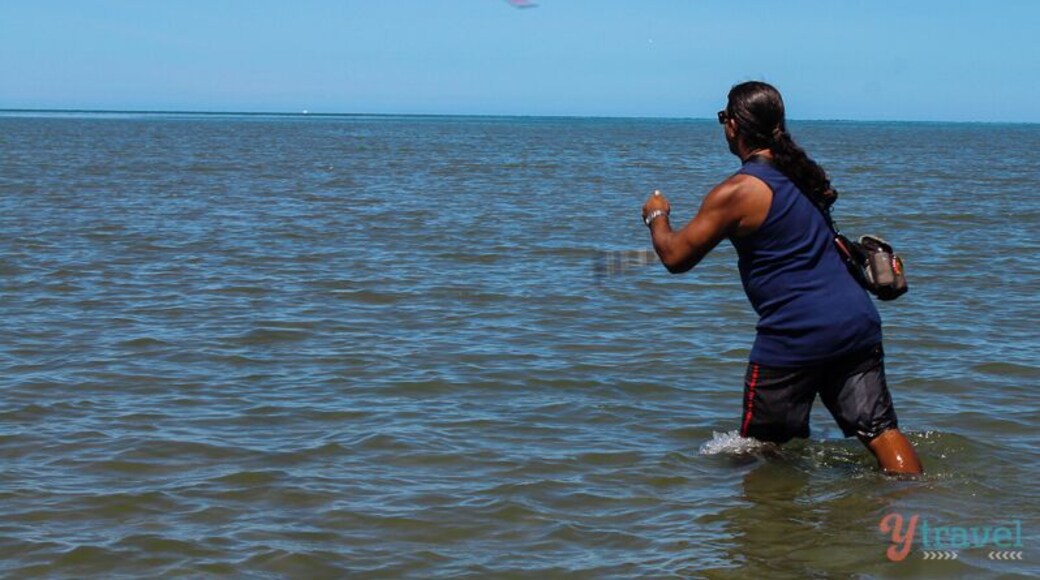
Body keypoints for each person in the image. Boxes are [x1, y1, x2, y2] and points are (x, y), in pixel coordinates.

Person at [641, 81, 922, 475]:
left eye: (724, 117)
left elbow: (674, 256)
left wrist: (657, 215)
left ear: (734, 125)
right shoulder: (804, 176)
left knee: (756, 450)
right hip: (855, 321)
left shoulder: (738, 191)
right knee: (881, 431)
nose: (723, 125)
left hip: (795, 334)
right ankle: (916, 502)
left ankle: (768, 531)